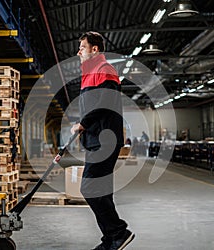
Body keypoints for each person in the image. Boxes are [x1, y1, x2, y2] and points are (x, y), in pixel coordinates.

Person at [71, 31, 134, 250]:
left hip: (105, 140)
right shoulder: (90, 73)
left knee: (89, 188)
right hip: (96, 140)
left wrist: (83, 123)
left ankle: (118, 231)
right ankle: (111, 239)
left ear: (94, 49)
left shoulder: (104, 70)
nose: (78, 51)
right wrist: (84, 126)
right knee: (102, 190)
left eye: (82, 47)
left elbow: (104, 102)